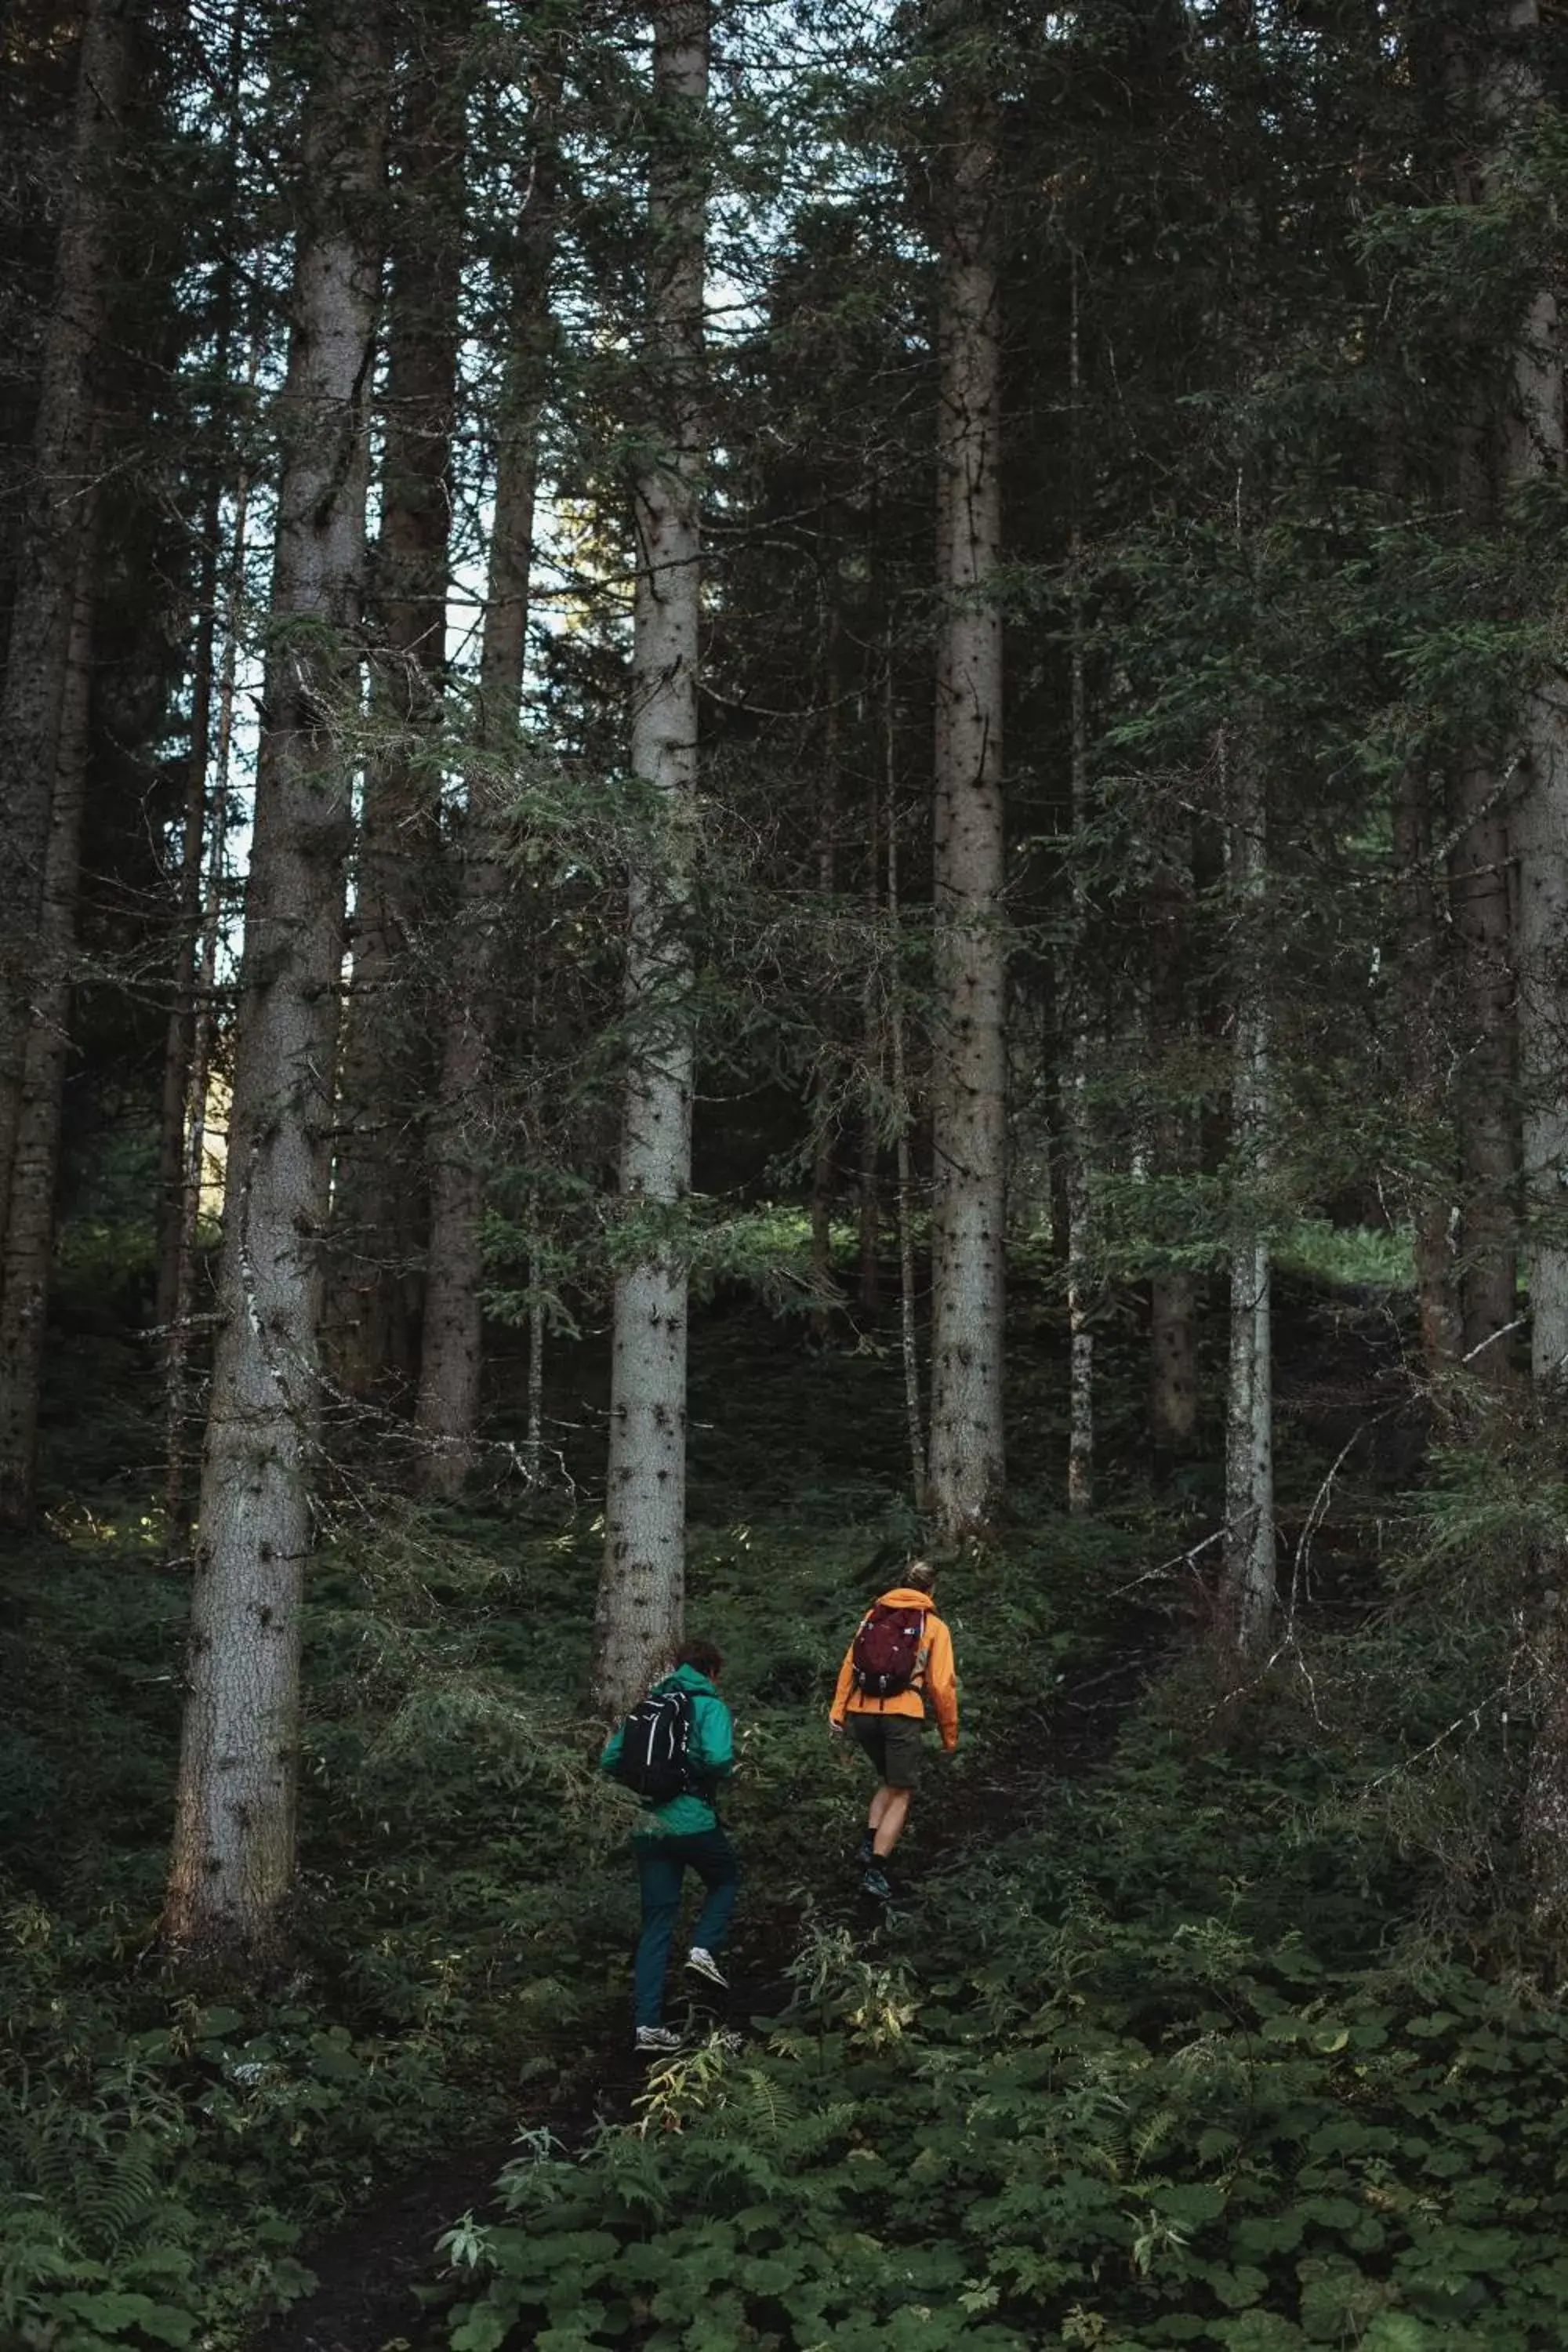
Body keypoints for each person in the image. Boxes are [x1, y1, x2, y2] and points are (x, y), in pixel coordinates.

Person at [601, 1639, 739, 2054]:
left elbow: (610, 1760)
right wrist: (694, 1776)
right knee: (727, 1878)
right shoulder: (709, 1705)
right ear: (712, 1671)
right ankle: (703, 1948)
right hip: (691, 1820)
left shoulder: (649, 1706)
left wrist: (652, 1783)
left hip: (649, 1827)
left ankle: (648, 2027)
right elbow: (717, 1758)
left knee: (657, 1924)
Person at [829, 1561, 958, 1900]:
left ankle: (869, 1843)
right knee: (902, 1791)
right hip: (902, 1713)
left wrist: (838, 1711)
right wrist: (949, 1734)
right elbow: (942, 1686)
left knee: (889, 1780)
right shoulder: (933, 1625)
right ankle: (876, 1871)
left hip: (862, 1713)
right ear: (931, 1590)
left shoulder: (873, 1617)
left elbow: (849, 1665)